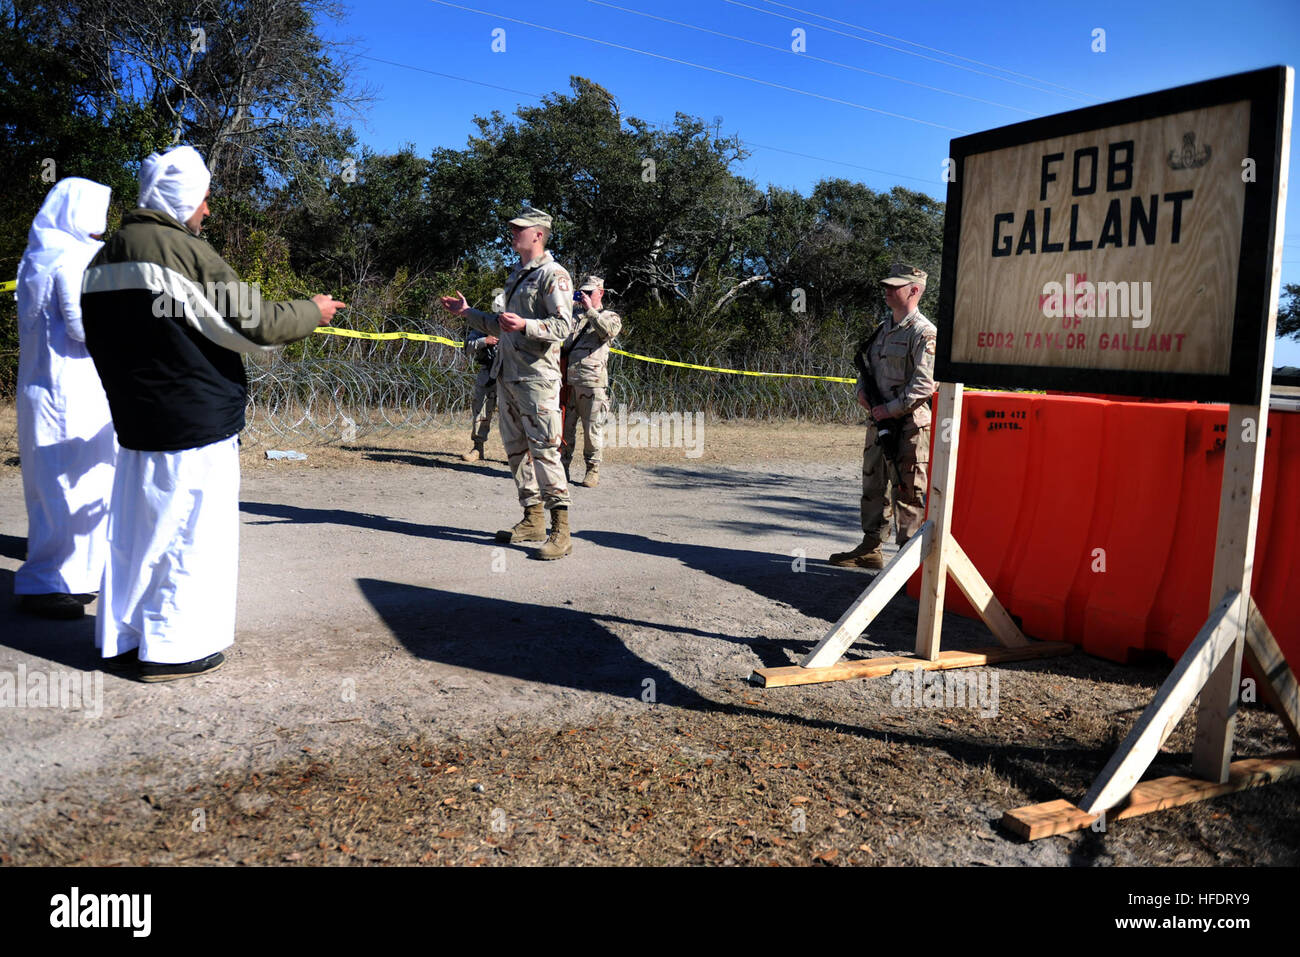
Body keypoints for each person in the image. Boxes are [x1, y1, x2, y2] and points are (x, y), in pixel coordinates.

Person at [80, 145, 347, 680]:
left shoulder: (103, 257)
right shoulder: (180, 251)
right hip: (194, 424)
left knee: (139, 533)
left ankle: (131, 636)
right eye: (205, 200)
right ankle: (175, 647)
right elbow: (258, 323)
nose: (208, 212)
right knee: (189, 534)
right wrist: (312, 313)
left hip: (137, 423)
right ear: (185, 198)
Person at [439, 205, 574, 560]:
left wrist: (526, 326)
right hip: (508, 376)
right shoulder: (518, 274)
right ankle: (533, 519)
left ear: (539, 234)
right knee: (516, 453)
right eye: (513, 228)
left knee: (545, 452)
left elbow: (564, 327)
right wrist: (467, 313)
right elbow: (501, 325)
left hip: (537, 380)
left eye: (520, 229)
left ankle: (561, 531)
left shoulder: (553, 275)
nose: (513, 233)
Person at [14, 178, 117, 620]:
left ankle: (69, 578)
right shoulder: (75, 256)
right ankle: (48, 583)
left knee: (50, 486)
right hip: (75, 386)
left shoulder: (38, 254)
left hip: (41, 383)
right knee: (76, 483)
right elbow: (82, 324)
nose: (101, 225)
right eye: (97, 214)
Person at [830, 263, 936, 569]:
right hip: (878, 424)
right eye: (886, 286)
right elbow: (867, 367)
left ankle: (907, 564)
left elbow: (925, 385)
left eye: (895, 286)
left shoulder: (925, 333)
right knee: (873, 484)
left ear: (914, 290)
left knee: (908, 490)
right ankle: (871, 547)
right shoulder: (883, 329)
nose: (887, 291)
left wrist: (888, 409)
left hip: (909, 427)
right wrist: (861, 391)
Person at [561, 276, 621, 488]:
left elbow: (609, 332)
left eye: (590, 292)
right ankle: (562, 467)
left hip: (592, 382)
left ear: (601, 293)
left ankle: (592, 469)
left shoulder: (609, 316)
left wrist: (590, 311)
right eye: (582, 292)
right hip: (567, 381)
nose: (585, 296)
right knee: (564, 428)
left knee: (591, 429)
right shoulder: (573, 316)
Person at [460, 293, 500, 462]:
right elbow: (467, 347)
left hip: (511, 373)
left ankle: (521, 452)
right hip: (488, 372)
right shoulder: (484, 325)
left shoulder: (517, 325)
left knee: (515, 414)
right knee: (481, 409)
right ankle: (478, 448)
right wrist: (485, 340)